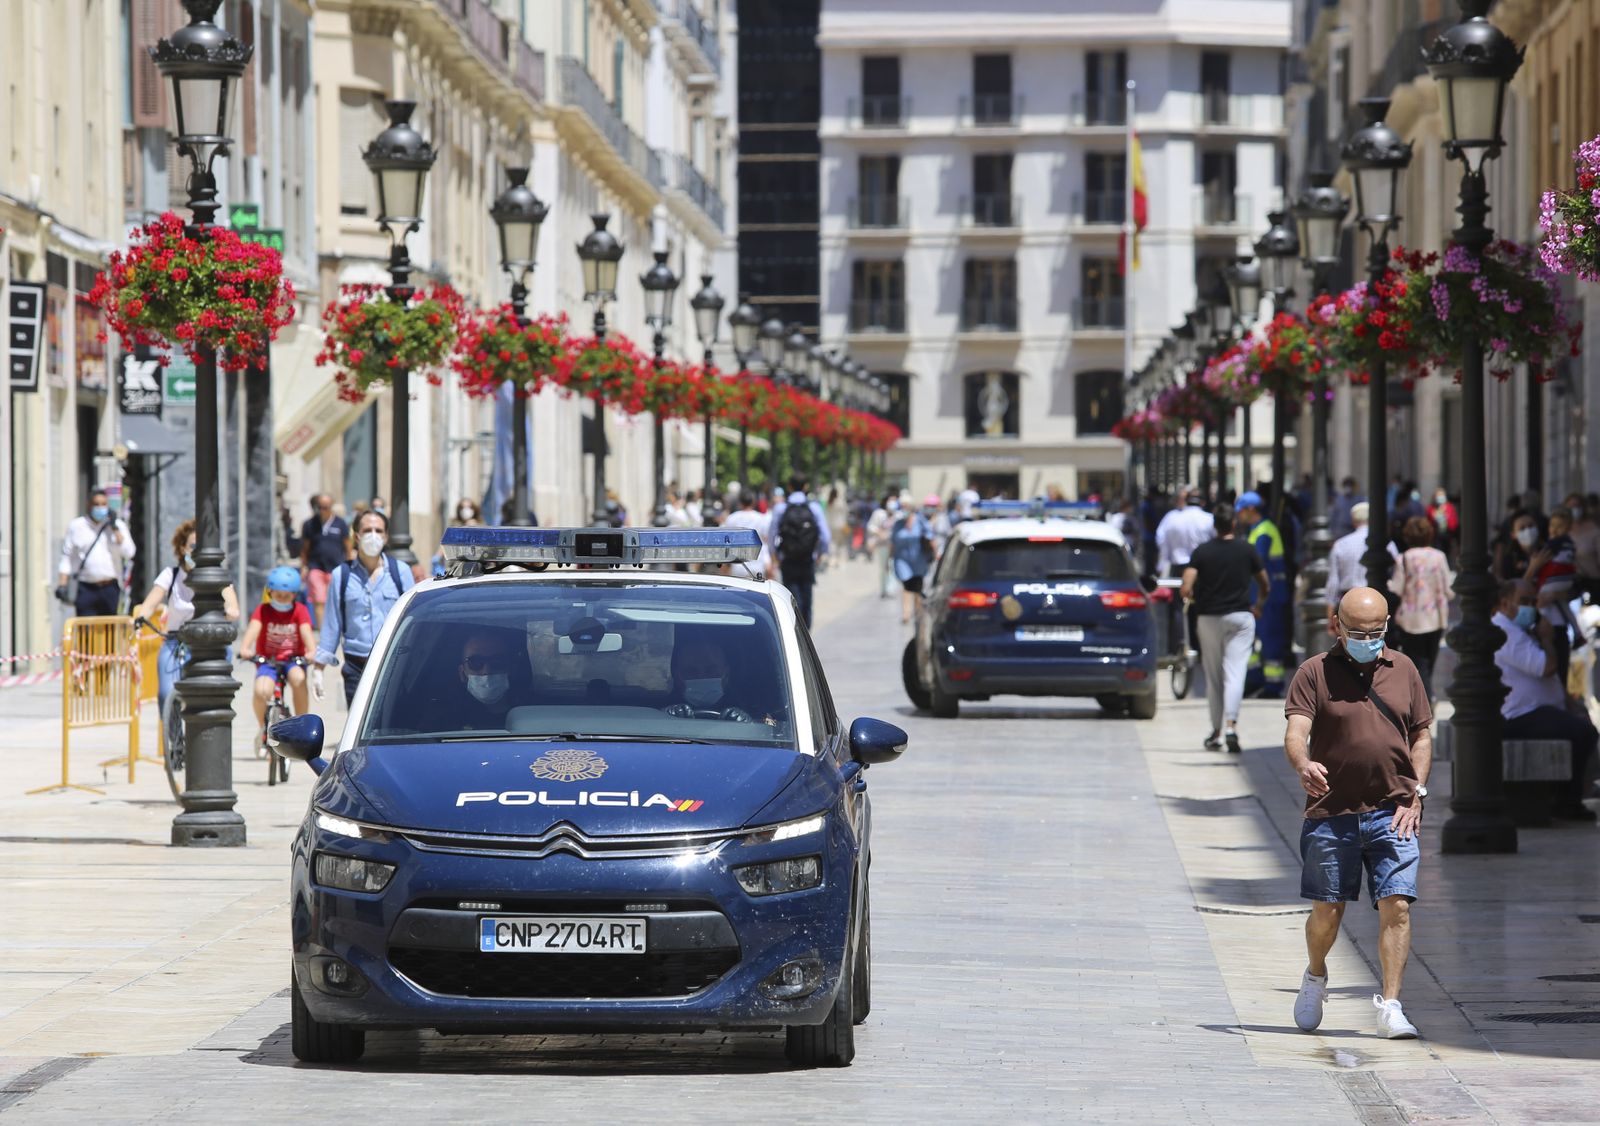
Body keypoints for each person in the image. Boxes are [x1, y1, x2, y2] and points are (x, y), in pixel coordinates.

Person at [1284, 587, 1432, 1041]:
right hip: (1333, 813)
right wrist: (1303, 763)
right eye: (1359, 632)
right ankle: (1314, 975)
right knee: (1327, 913)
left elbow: (1422, 735)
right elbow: (1296, 730)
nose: (1370, 639)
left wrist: (1416, 792)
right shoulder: (1314, 672)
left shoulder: (1404, 669)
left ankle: (1391, 1006)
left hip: (1394, 811)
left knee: (1398, 906)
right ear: (1336, 626)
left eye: (1378, 631)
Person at [1493, 579, 1599, 820]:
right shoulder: (1504, 631)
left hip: (1537, 709)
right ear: (1505, 603)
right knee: (1582, 732)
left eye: (1533, 602)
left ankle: (1570, 795)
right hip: (1521, 713)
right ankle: (1567, 801)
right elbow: (1547, 667)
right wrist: (1549, 639)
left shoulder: (1517, 629)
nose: (1531, 608)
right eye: (1524, 602)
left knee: (1581, 727)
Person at [1182, 505, 1268, 754]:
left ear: (1215, 526)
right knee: (1235, 672)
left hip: (1208, 617)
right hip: (1240, 616)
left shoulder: (1201, 552)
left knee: (1213, 677)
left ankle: (1216, 732)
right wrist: (1259, 605)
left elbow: (1186, 587)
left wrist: (1193, 595)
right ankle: (1231, 726)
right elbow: (1265, 584)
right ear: (1233, 524)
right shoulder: (1247, 550)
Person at [132, 519, 241, 713]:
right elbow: (150, 603)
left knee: (213, 695)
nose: (197, 552)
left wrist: (219, 611)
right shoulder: (171, 575)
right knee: (166, 693)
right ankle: (174, 740)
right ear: (183, 548)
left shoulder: (217, 576)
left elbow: (233, 610)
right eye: (193, 546)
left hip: (209, 643)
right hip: (176, 640)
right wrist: (139, 619)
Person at [312, 510, 417, 706]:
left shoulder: (400, 572)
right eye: (367, 530)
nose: (373, 535)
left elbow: (413, 620)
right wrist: (319, 668)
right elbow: (332, 623)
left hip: (393, 664)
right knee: (359, 730)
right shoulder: (341, 575)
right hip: (356, 666)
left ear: (385, 537)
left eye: (378, 530)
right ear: (357, 536)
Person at [238, 566, 314, 738]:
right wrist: (245, 647)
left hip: (293, 659)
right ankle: (263, 728)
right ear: (270, 592)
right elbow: (253, 628)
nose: (281, 599)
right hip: (268, 660)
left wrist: (311, 651)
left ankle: (301, 724)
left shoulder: (300, 610)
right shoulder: (263, 610)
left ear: (294, 595)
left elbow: (306, 631)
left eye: (286, 596)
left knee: (299, 679)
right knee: (261, 690)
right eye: (277, 594)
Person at [1388, 517, 1453, 703]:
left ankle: (1424, 699)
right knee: (1429, 661)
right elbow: (1448, 588)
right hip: (1436, 616)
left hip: (1411, 619)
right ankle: (1426, 697)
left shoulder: (1404, 558)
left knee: (1418, 663)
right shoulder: (1439, 556)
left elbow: (1397, 588)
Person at [1236, 490, 1289, 696]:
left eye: (1240, 511)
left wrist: (1258, 600)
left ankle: (1273, 685)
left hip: (1269, 597)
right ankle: (1256, 678)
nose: (1239, 516)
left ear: (1250, 510)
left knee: (1270, 638)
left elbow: (1258, 565)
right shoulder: (1258, 530)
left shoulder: (1264, 531)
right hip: (1263, 595)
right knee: (1257, 638)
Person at [56, 489, 137, 617]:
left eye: (103, 504)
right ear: (89, 505)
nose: (100, 508)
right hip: (86, 587)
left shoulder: (117, 526)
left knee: (108, 630)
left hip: (110, 587)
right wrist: (62, 584)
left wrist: (115, 529)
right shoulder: (76, 526)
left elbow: (129, 552)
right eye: (96, 504)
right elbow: (67, 557)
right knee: (86, 631)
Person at [769, 477, 830, 628]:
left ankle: (793, 629)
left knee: (790, 596)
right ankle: (806, 633)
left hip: (788, 558)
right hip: (807, 558)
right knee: (807, 598)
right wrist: (820, 553)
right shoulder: (814, 507)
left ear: (789, 487)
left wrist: (774, 554)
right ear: (805, 486)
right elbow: (825, 536)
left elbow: (772, 534)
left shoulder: (781, 508)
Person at [662, 634, 756, 722]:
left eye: (711, 671)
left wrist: (749, 727)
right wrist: (663, 719)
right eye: (691, 672)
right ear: (678, 676)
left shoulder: (751, 712)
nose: (701, 677)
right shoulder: (656, 715)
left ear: (726, 674)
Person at [298, 494, 350, 628]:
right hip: (316, 567)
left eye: (325, 507)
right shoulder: (309, 524)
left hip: (336, 567)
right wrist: (304, 566)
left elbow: (347, 546)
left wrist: (350, 565)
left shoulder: (341, 523)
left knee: (336, 600)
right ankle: (322, 632)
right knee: (319, 600)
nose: (322, 510)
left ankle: (335, 628)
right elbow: (305, 548)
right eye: (319, 507)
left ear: (331, 507)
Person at [890, 500, 934, 625]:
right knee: (907, 584)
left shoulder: (920, 521)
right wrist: (889, 558)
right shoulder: (898, 524)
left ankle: (918, 611)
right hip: (902, 559)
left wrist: (935, 553)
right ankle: (906, 612)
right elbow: (892, 542)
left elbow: (930, 536)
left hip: (918, 559)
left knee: (917, 586)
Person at [1325, 502, 1372, 615]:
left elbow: (1333, 581)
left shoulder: (1341, 544)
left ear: (1353, 520)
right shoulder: (1385, 543)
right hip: (1374, 599)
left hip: (1348, 601)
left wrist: (1330, 612)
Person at [721, 490, 771, 579]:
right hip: (758, 564)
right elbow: (766, 540)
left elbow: (726, 543)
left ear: (740, 502)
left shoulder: (732, 518)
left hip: (738, 566)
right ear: (753, 502)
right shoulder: (761, 518)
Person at [866, 494, 896, 598]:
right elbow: (870, 526)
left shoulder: (898, 514)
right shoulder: (879, 513)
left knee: (892, 567)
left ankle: (890, 589)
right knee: (883, 567)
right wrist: (879, 532)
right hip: (882, 545)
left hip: (894, 545)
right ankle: (884, 589)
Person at [1426, 487, 1459, 564]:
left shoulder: (1449, 507)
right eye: (1439, 495)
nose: (1440, 498)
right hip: (1436, 536)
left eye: (1442, 495)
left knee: (1446, 553)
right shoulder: (1431, 508)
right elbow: (1428, 522)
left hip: (1447, 535)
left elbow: (1454, 522)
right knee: (1437, 553)